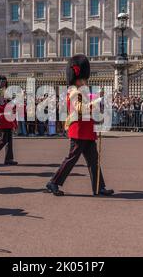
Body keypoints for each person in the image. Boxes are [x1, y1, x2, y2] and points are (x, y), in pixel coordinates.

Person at [46, 54, 114, 197]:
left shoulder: (83, 92)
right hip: (79, 130)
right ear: (78, 78)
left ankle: (99, 187)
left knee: (94, 161)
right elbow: (80, 109)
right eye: (84, 78)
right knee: (72, 159)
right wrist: (97, 100)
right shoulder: (73, 92)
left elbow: (89, 109)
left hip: (87, 130)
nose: (86, 81)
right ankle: (53, 182)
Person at [0, 75, 18, 166]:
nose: (4, 85)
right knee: (3, 139)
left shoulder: (4, 93)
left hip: (8, 118)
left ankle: (9, 159)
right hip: (2, 118)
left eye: (4, 83)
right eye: (2, 83)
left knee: (9, 140)